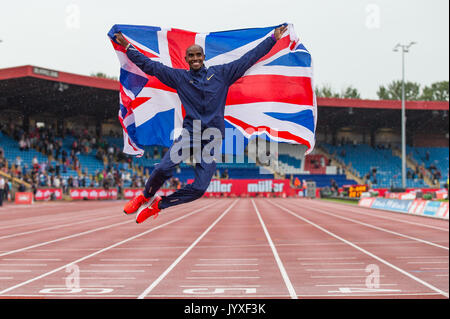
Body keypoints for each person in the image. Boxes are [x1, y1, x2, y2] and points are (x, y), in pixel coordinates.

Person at [114, 24, 287, 224]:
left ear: (203, 57)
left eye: (198, 55)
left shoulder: (222, 74)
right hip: (191, 133)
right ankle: (145, 196)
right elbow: (150, 66)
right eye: (191, 56)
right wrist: (127, 46)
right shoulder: (180, 78)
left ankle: (158, 205)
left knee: (198, 189)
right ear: (186, 60)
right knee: (162, 169)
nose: (195, 59)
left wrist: (272, 39)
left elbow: (248, 58)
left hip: (212, 138)